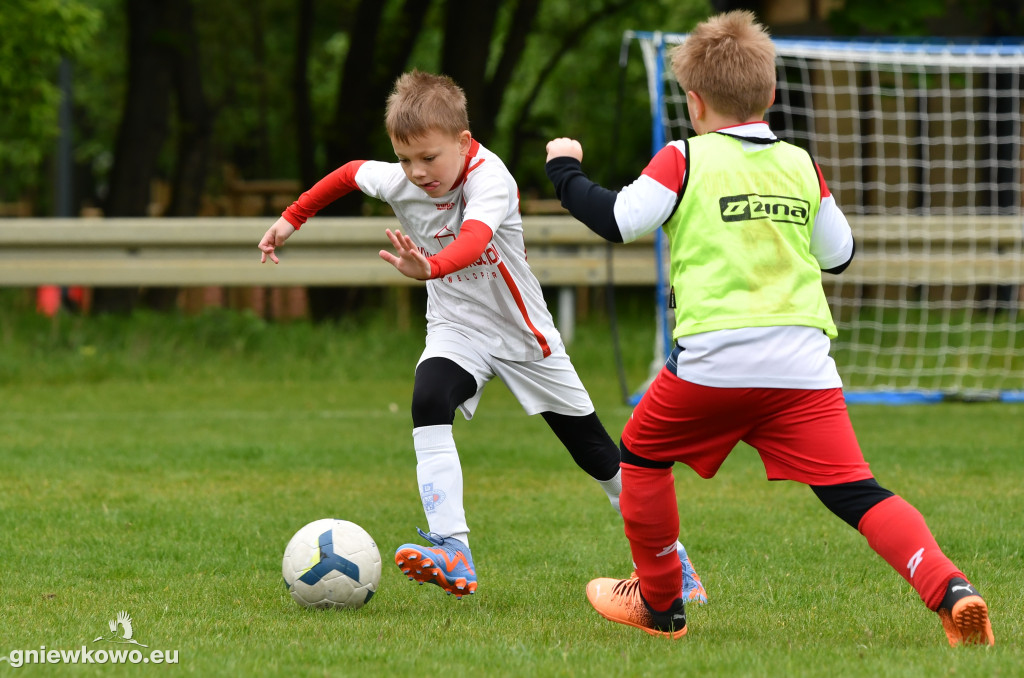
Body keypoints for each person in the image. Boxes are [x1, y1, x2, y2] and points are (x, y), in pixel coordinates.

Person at [543, 10, 994, 645]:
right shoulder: (800, 164)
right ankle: (950, 588)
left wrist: (564, 170)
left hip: (715, 362)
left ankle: (661, 603)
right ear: (772, 94)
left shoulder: (683, 157)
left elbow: (618, 219)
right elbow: (840, 254)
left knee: (640, 457)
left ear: (693, 102)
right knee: (857, 492)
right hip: (802, 367)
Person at [258, 70, 705, 602]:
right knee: (429, 399)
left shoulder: (490, 178)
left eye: (429, 158)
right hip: (456, 327)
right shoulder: (400, 179)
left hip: (524, 337)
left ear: (464, 142)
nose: (416, 172)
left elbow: (473, 240)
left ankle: (674, 563)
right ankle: (452, 547)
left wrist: (430, 267)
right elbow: (350, 174)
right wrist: (290, 219)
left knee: (598, 456)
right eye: (405, 159)